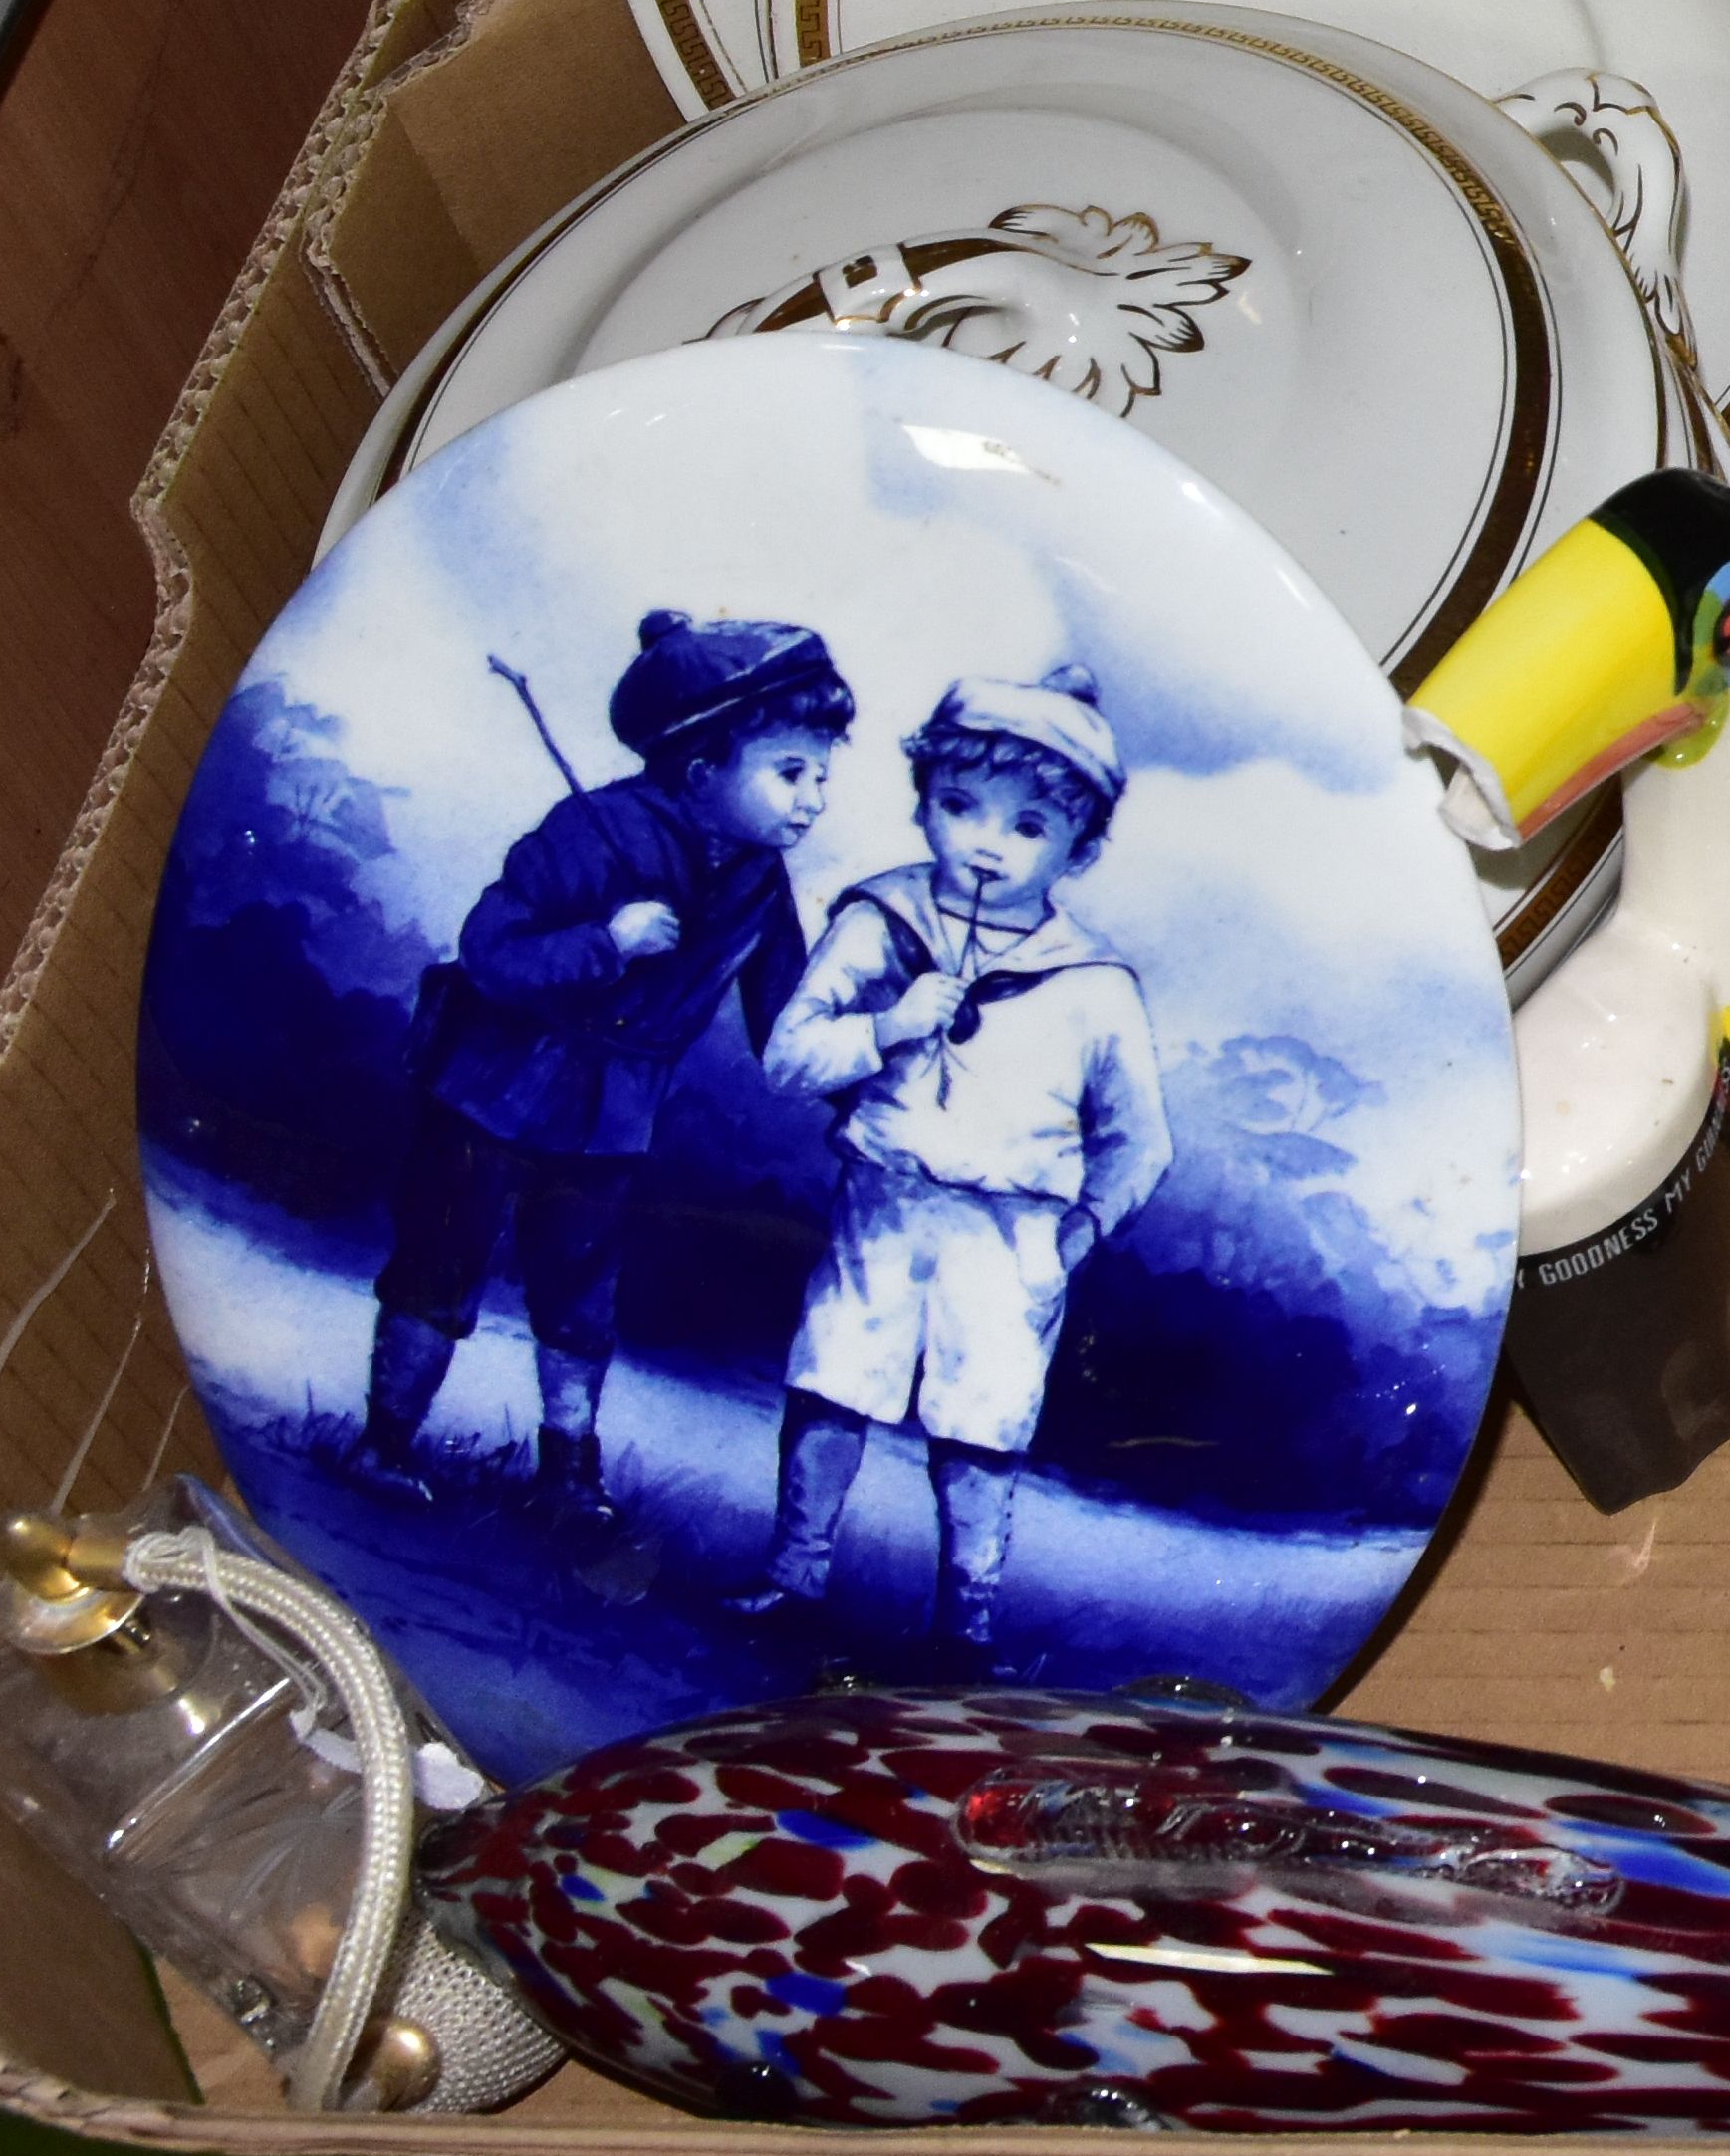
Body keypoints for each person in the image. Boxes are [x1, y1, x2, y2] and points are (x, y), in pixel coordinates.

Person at [362, 614, 853, 1521]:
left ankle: (567, 1468)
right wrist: (605, 942)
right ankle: (384, 1441)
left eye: (821, 773)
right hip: (494, 1089)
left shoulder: (758, 886)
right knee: (442, 1261)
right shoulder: (590, 829)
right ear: (704, 767)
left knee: (580, 1291)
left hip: (614, 1115)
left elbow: (786, 1015)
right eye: (791, 772)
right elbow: (491, 951)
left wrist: (856, 1102)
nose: (814, 798)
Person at [745, 669, 1173, 1656]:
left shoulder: (1094, 985)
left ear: (1081, 846)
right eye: (960, 805)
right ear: (924, 800)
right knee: (833, 1385)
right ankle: (792, 1573)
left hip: (1011, 1233)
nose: (985, 840)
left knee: (980, 1427)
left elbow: (1141, 1138)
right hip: (885, 1202)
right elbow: (786, 1057)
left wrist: (1082, 1228)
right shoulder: (880, 924)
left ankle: (966, 1617)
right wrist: (889, 1023)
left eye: (1027, 826)